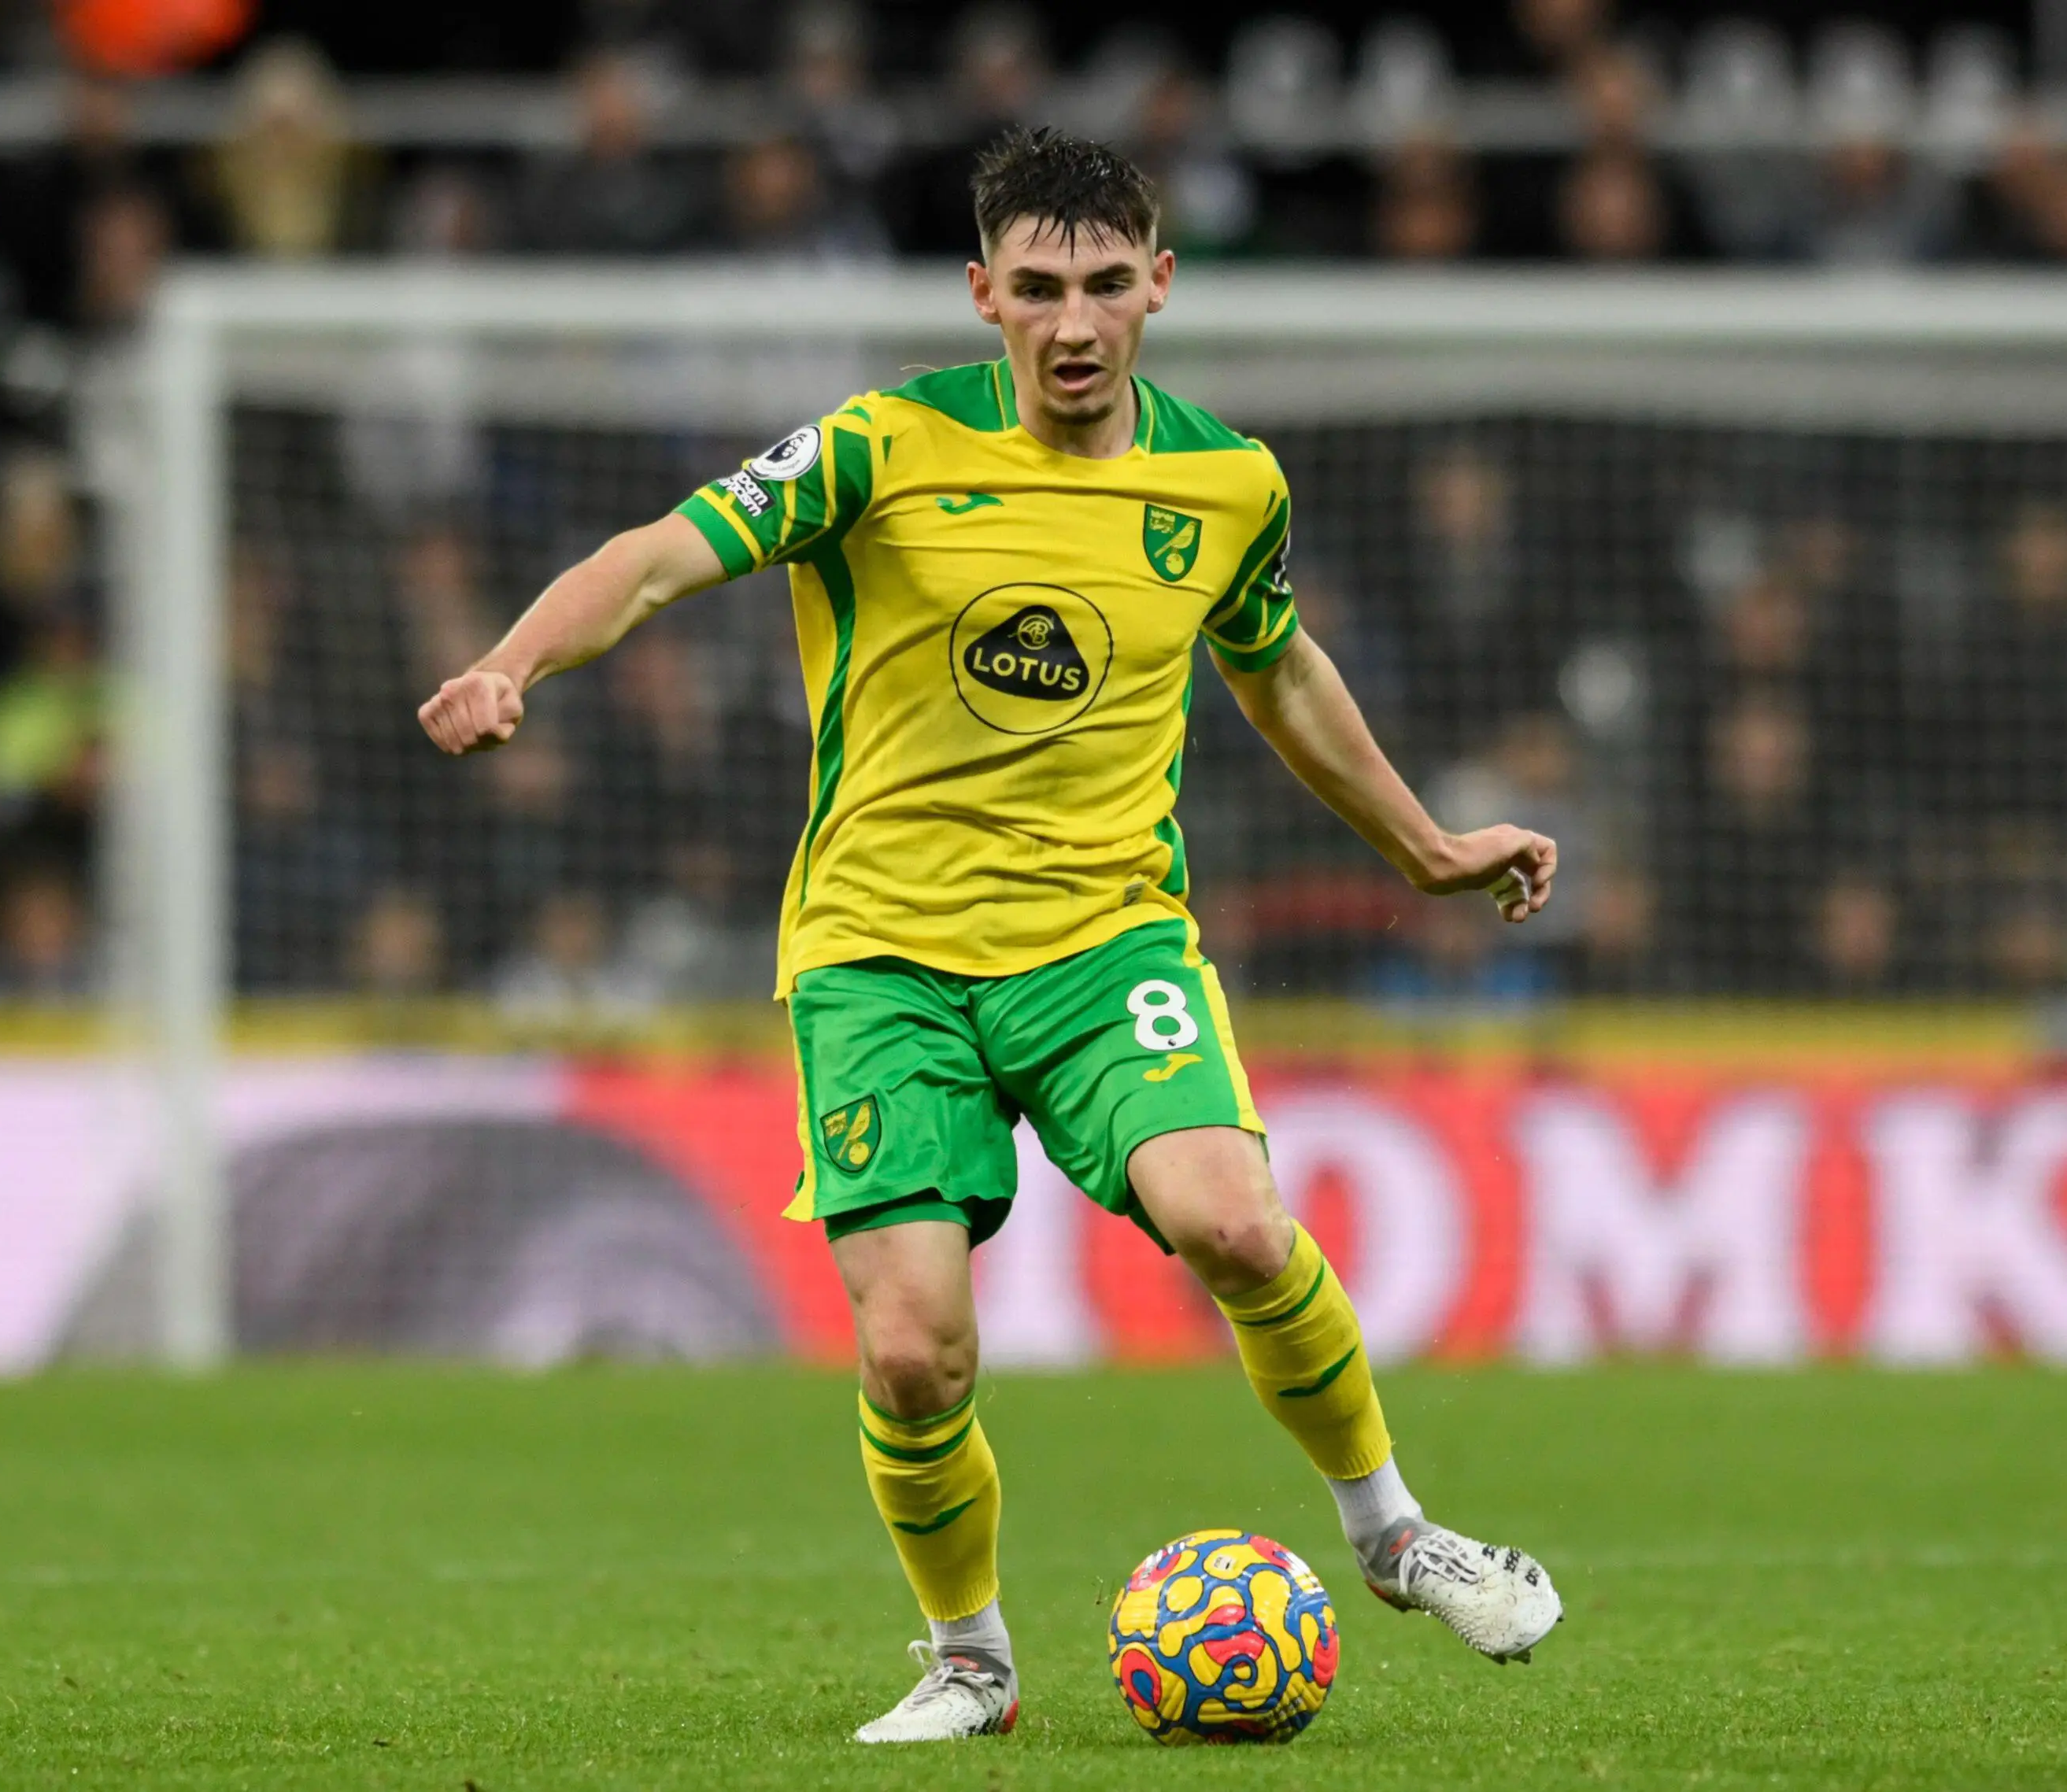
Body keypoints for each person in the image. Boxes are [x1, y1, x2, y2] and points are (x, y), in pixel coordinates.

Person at [419, 127, 1562, 1745]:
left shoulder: (1226, 483)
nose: (1075, 322)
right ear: (982, 295)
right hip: (879, 954)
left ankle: (1391, 1530)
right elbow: (658, 558)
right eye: (1038, 288)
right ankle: (971, 1657)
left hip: (1105, 941)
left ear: (1160, 284)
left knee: (1232, 1223)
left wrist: (1428, 843)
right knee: (909, 1352)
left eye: (1106, 284)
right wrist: (515, 662)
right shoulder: (876, 449)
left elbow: (1279, 673)